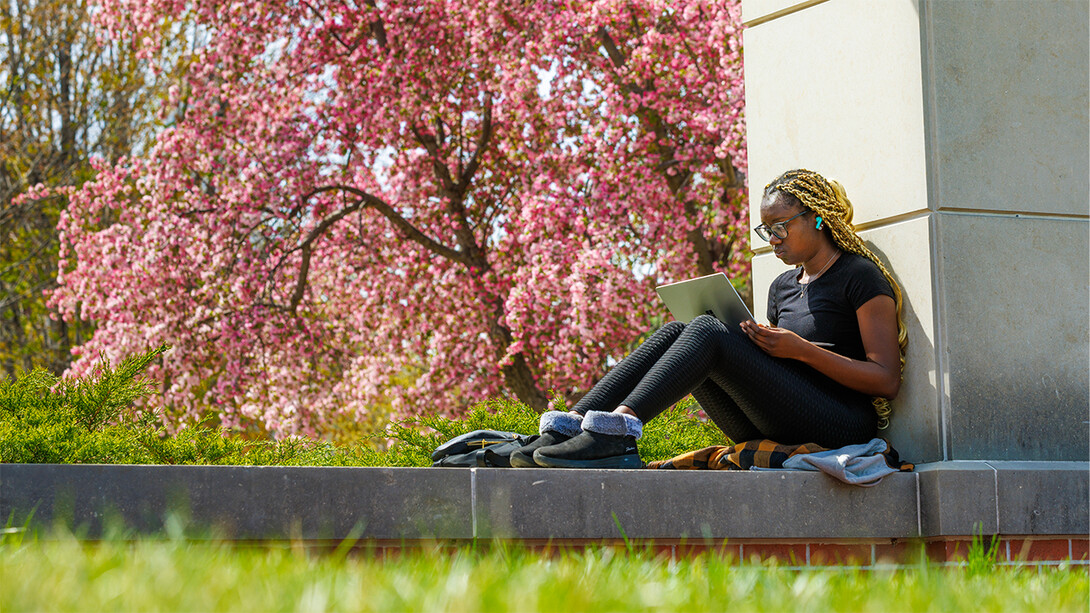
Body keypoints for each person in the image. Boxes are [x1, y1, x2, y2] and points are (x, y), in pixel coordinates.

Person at [509, 168, 908, 469]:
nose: (773, 240)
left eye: (781, 227)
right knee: (680, 330)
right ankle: (572, 424)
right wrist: (767, 348)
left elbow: (885, 380)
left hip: (841, 422)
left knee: (706, 330)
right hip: (780, 419)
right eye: (766, 229)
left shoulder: (858, 276)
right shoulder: (783, 286)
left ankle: (620, 432)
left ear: (817, 218)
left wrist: (800, 350)